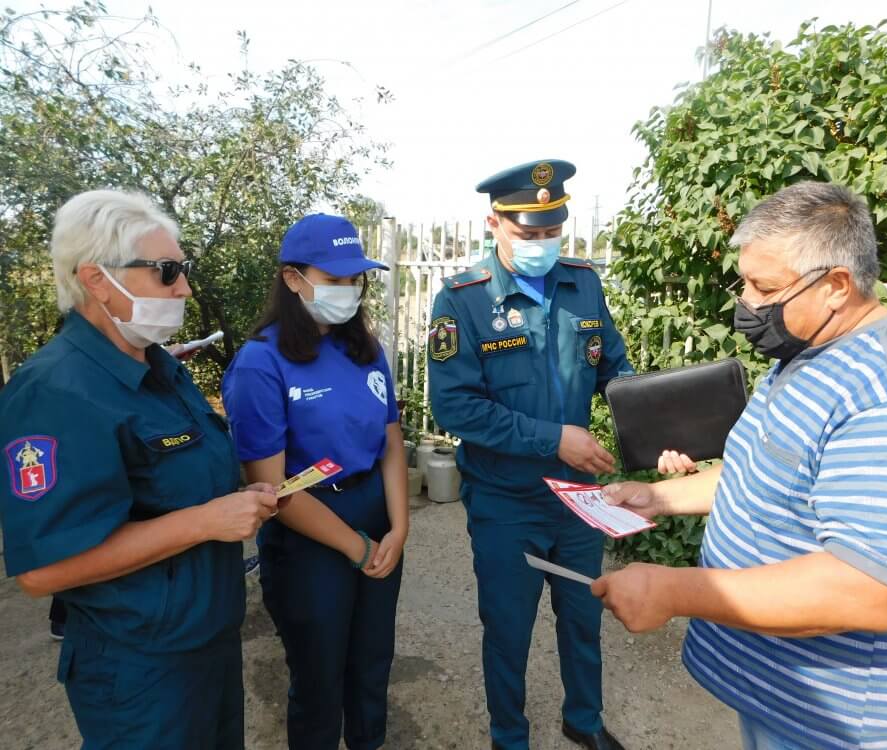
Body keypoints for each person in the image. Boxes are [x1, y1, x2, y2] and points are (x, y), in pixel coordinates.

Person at [596, 182, 887, 750]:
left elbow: (866, 590)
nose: (747, 304)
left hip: (843, 727)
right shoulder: (809, 355)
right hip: (788, 704)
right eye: (745, 283)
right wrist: (658, 498)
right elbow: (763, 474)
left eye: (765, 287)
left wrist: (673, 590)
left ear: (835, 286)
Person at [0, 189, 278, 749]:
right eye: (167, 272)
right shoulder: (56, 392)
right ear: (98, 279)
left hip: (207, 644)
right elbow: (43, 572)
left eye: (183, 269)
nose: (184, 288)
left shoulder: (158, 368)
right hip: (140, 669)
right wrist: (206, 522)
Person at [428, 160, 634, 750]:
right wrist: (554, 438)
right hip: (505, 500)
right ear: (494, 223)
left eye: (551, 232)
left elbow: (614, 369)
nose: (542, 245)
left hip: (577, 497)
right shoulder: (462, 301)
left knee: (583, 616)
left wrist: (653, 423)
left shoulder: (582, 284)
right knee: (509, 628)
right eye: (528, 233)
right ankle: (508, 736)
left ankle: (584, 722)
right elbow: (457, 410)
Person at [221, 214, 408, 750]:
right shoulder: (261, 364)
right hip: (308, 532)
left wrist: (400, 527)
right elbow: (271, 488)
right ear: (293, 278)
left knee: (372, 663)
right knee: (320, 678)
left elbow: (391, 441)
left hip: (376, 511)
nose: (347, 291)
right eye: (334, 278)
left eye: (355, 280)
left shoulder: (365, 350)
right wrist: (358, 547)